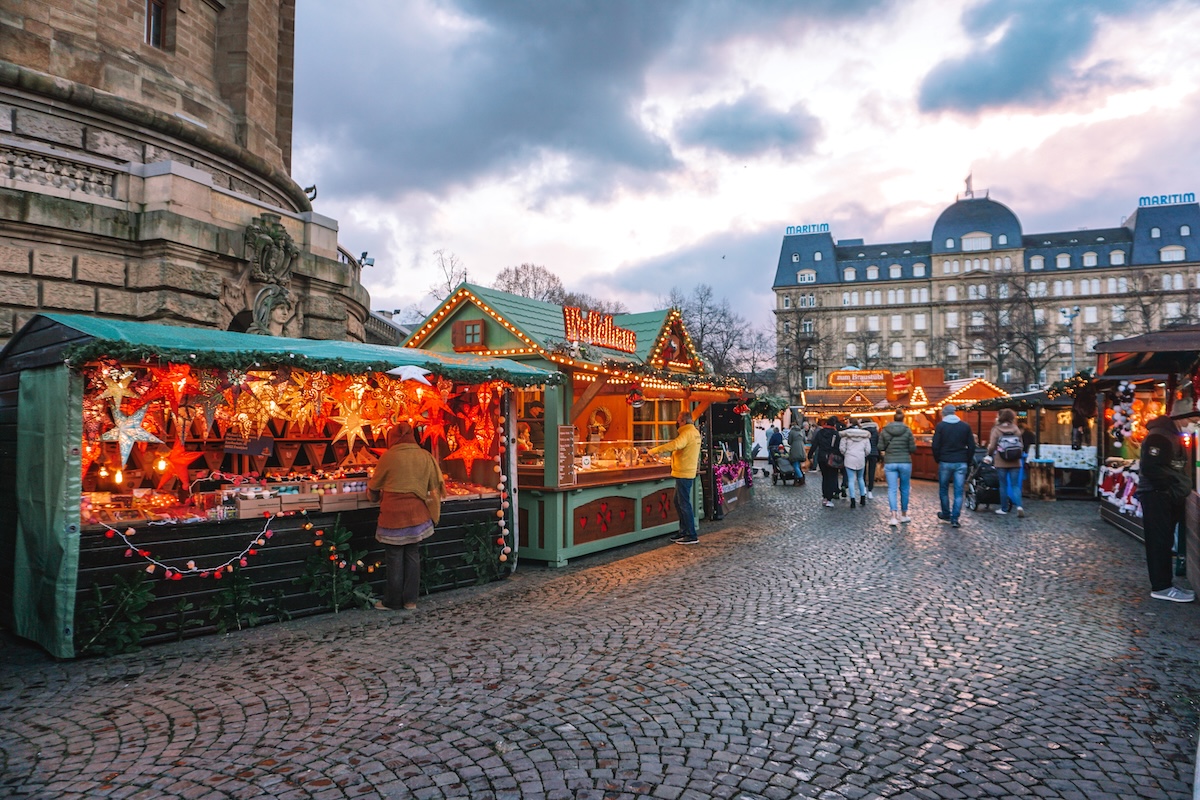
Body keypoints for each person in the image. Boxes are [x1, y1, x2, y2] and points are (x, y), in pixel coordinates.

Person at [367, 422, 445, 610]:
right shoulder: (424, 456)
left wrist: (373, 497)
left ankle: (392, 602)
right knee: (412, 555)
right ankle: (410, 601)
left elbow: (374, 486)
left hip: (393, 517)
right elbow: (435, 484)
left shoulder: (388, 457)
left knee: (394, 557)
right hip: (417, 515)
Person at [1137, 415, 1195, 602]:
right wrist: (1169, 488)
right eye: (1194, 417)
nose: (1194, 422)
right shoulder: (1159, 436)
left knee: (1163, 539)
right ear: (1184, 417)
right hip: (1157, 495)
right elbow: (1151, 467)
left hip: (1161, 494)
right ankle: (1161, 587)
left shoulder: (1167, 434)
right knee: (1159, 540)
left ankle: (1164, 584)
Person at [647, 412, 703, 545]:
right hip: (685, 472)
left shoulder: (687, 433)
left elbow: (675, 445)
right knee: (678, 502)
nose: (676, 422)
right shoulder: (694, 432)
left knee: (683, 503)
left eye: (678, 420)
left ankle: (691, 534)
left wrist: (654, 450)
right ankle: (683, 531)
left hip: (684, 472)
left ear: (683, 421)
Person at [932, 404, 975, 528]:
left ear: (944, 413)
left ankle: (946, 513)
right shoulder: (965, 426)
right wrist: (967, 459)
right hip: (961, 461)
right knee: (958, 491)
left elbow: (935, 445)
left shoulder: (941, 426)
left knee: (944, 489)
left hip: (945, 460)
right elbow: (971, 446)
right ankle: (955, 518)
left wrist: (938, 459)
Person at [878, 410, 917, 526]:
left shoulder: (885, 430)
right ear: (903, 419)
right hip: (905, 462)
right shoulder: (908, 430)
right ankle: (904, 515)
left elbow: (880, 446)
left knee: (892, 489)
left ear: (893, 418)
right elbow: (913, 448)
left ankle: (893, 516)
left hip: (890, 462)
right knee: (905, 488)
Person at [985, 408, 1025, 517]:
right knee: (1015, 485)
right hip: (1015, 461)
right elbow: (1021, 444)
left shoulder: (996, 429)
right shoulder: (1016, 428)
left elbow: (992, 446)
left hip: (1001, 461)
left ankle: (1004, 508)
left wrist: (989, 455)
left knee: (1003, 485)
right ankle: (1019, 506)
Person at [808, 416, 842, 507]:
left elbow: (814, 444)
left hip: (821, 457)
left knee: (825, 478)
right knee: (831, 478)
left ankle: (825, 497)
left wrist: (810, 455)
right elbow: (839, 448)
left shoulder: (820, 432)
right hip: (832, 458)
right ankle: (829, 497)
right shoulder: (836, 434)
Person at [839, 422, 871, 508]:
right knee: (860, 478)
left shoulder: (845, 436)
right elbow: (868, 450)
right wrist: (862, 455)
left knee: (851, 479)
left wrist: (846, 454)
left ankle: (852, 500)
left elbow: (842, 448)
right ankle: (862, 497)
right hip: (860, 459)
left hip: (849, 458)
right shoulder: (865, 437)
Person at [861, 418, 881, 499]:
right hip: (874, 453)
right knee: (871, 472)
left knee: (863, 471)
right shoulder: (875, 431)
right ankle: (870, 490)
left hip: (864, 453)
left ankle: (864, 488)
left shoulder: (862, 431)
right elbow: (877, 443)